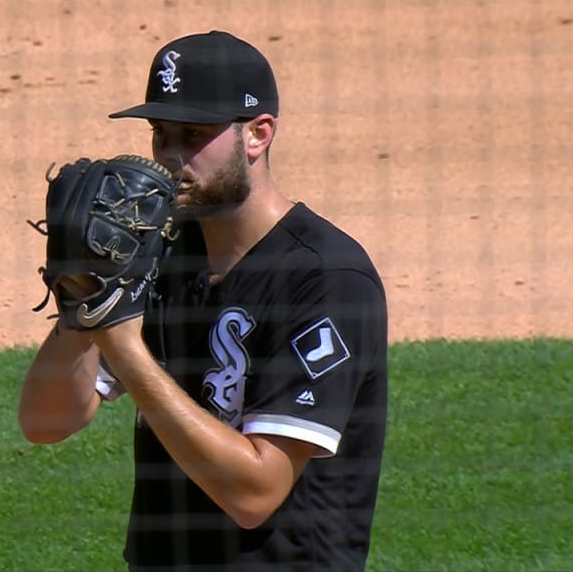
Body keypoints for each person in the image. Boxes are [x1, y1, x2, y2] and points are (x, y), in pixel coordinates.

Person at [19, 30, 388, 571]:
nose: (170, 157)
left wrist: (123, 345)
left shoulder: (326, 277)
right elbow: (45, 421)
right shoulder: (160, 251)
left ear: (258, 135)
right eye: (160, 133)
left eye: (193, 134)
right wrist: (84, 303)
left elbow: (254, 494)